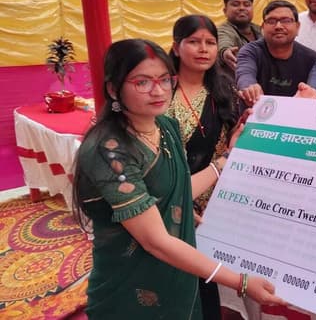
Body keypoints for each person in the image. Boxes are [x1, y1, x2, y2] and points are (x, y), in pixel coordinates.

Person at [71, 39, 283, 319]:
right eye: (142, 82)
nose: (158, 91)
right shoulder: (109, 151)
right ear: (113, 89)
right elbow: (156, 241)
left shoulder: (166, 127)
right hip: (130, 286)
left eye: (164, 79)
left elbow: (178, 190)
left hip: (178, 275)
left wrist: (226, 158)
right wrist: (240, 282)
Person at [167, 15, 238, 319]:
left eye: (210, 42)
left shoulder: (225, 92)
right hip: (168, 201)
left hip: (215, 204)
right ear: (176, 47)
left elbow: (235, 143)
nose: (203, 49)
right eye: (194, 41)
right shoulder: (160, 93)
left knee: (207, 279)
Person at [236, 0, 316, 109]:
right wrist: (249, 87)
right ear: (262, 28)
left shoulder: (312, 59)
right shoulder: (250, 51)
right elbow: (245, 73)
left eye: (286, 21)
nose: (278, 26)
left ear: (298, 27)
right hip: (255, 115)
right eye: (271, 21)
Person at [218, 0, 263, 73]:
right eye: (235, 4)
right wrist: (225, 52)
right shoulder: (222, 31)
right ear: (225, 11)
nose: (242, 8)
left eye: (247, 5)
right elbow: (223, 42)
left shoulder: (260, 30)